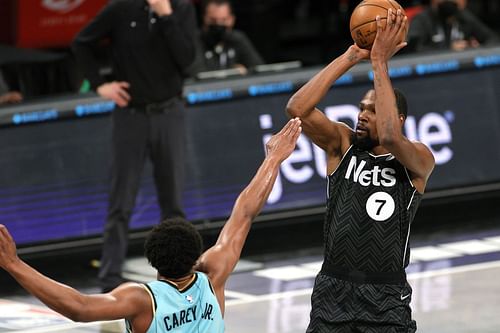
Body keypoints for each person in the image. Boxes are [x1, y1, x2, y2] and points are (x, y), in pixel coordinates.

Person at [0, 118, 302, 333]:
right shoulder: (213, 275)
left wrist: (14, 264)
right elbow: (245, 212)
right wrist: (273, 159)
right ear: (197, 256)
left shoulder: (142, 300)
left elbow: (78, 307)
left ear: (151, 260)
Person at [286, 9, 435, 332]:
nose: (364, 115)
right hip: (332, 290)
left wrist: (380, 62)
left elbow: (391, 138)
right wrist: (352, 55)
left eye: (374, 110)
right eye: (362, 109)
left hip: (385, 295)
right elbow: (297, 108)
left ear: (398, 119)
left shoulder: (418, 160)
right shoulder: (342, 143)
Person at [72, 0, 197, 293]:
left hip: (170, 113)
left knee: (173, 203)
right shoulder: (121, 9)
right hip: (131, 116)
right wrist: (100, 84)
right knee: (121, 202)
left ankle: (178, 276)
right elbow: (81, 43)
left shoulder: (181, 8)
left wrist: (166, 15)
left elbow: (188, 60)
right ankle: (110, 278)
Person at [189, 0, 264, 75]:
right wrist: (233, 72)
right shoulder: (194, 40)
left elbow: (260, 69)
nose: (219, 24)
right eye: (213, 20)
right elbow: (197, 74)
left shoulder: (237, 39)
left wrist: (247, 72)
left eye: (224, 20)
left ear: (232, 19)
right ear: (204, 18)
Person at [407, 0, 498, 52]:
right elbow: (412, 48)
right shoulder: (422, 19)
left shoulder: (464, 17)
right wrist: (448, 49)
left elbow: (493, 39)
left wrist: (479, 49)